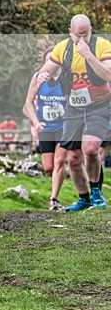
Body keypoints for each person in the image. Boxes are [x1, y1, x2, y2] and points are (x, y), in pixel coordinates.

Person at [36, 14, 110, 211]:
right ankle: (84, 198)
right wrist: (44, 74)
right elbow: (46, 69)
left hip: (99, 105)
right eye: (78, 36)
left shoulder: (102, 46)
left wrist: (88, 54)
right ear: (71, 33)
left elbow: (108, 74)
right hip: (75, 107)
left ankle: (96, 192)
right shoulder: (63, 48)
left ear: (91, 30)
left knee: (91, 148)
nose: (82, 40)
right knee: (73, 158)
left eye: (86, 35)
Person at [23, 48, 68, 209]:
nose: (52, 64)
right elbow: (27, 103)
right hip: (45, 128)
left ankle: (54, 198)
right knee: (49, 166)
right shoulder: (37, 78)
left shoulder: (67, 78)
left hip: (64, 126)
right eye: (48, 60)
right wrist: (36, 123)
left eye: (54, 60)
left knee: (59, 160)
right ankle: (59, 177)